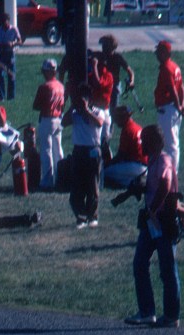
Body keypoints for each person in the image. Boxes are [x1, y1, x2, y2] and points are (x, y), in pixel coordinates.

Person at [126, 124, 180, 328]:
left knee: (167, 269)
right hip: (152, 223)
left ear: (155, 142)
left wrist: (153, 209)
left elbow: (166, 185)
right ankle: (147, 312)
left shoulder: (164, 160)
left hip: (163, 221)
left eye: (145, 140)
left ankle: (172, 315)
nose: (141, 144)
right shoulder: (153, 160)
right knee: (140, 263)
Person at [62, 83, 105, 228]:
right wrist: (72, 107)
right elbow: (63, 122)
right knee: (77, 186)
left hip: (93, 150)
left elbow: (99, 123)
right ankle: (81, 216)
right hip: (78, 150)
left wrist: (86, 110)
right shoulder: (75, 114)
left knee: (92, 185)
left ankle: (92, 215)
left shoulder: (98, 111)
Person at [32, 57, 64, 190]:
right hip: (58, 119)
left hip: (47, 119)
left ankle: (47, 180)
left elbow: (36, 106)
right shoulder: (60, 86)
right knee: (58, 149)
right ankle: (61, 176)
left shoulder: (45, 86)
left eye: (45, 71)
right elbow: (62, 104)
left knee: (46, 150)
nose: (44, 73)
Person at [153, 40, 184, 172]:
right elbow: (182, 88)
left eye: (159, 52)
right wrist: (181, 106)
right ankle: (170, 172)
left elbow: (173, 90)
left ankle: (173, 174)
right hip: (173, 109)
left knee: (170, 144)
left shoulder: (166, 69)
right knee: (171, 143)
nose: (156, 54)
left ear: (166, 53)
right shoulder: (175, 66)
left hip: (168, 110)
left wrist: (178, 106)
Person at [103, 105, 146, 189]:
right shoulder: (138, 127)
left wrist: (108, 164)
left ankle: (132, 182)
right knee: (120, 175)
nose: (115, 121)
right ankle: (135, 182)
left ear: (123, 117)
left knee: (104, 172)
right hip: (145, 167)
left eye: (117, 118)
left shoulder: (127, 129)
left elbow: (121, 156)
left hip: (134, 166)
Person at [98, 34, 134, 109]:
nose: (103, 48)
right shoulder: (100, 56)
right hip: (103, 85)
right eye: (103, 46)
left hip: (114, 85)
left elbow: (130, 71)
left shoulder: (118, 57)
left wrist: (131, 81)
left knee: (113, 107)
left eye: (105, 46)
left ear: (112, 47)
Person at [0, 14, 20, 101]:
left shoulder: (13, 29)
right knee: (0, 76)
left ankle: (11, 96)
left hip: (10, 53)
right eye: (3, 22)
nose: (5, 23)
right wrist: (0, 45)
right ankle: (1, 96)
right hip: (1, 54)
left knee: (11, 75)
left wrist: (12, 43)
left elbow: (20, 40)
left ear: (9, 21)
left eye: (6, 21)